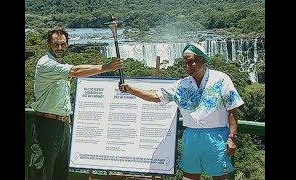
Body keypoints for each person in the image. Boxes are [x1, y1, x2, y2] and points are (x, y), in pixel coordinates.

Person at [119, 43, 244, 180]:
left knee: (220, 176)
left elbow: (232, 109)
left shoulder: (221, 79)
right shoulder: (181, 85)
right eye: (185, 63)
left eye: (191, 62)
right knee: (189, 176)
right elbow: (156, 96)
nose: (187, 66)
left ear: (202, 60)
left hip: (216, 137)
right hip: (191, 138)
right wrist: (131, 90)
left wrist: (232, 137)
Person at [28, 26, 123, 180]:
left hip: (63, 126)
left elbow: (76, 70)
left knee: (60, 173)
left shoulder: (59, 64)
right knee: (42, 172)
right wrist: (106, 67)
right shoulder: (46, 64)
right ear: (48, 45)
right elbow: (76, 72)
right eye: (55, 44)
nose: (59, 47)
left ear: (67, 45)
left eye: (63, 44)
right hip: (47, 125)